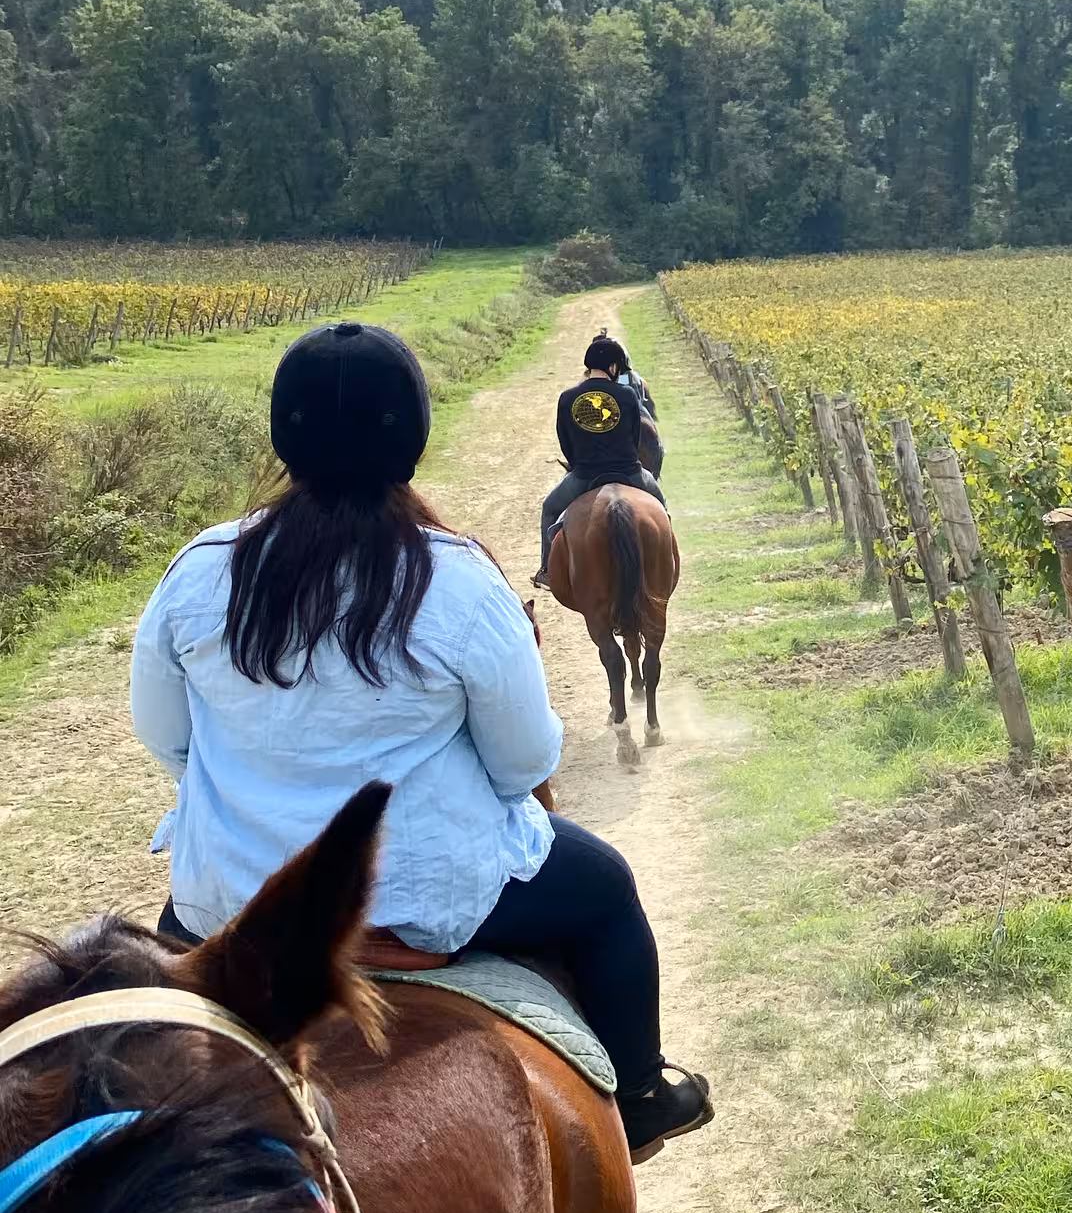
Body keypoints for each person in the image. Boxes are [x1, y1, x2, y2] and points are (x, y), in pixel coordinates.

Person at [129, 320, 711, 1162]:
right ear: (412, 436)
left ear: (282, 433)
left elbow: (169, 741)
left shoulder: (201, 568)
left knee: (158, 1000)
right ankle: (646, 1094)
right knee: (608, 893)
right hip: (428, 896)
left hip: (233, 900)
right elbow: (524, 764)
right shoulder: (456, 577)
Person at [533, 333, 665, 591]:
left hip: (584, 476)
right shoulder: (627, 395)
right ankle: (667, 554)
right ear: (613, 367)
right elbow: (635, 436)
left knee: (550, 509)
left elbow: (565, 442)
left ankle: (547, 570)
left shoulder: (567, 398)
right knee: (660, 506)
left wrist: (580, 464)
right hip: (629, 472)